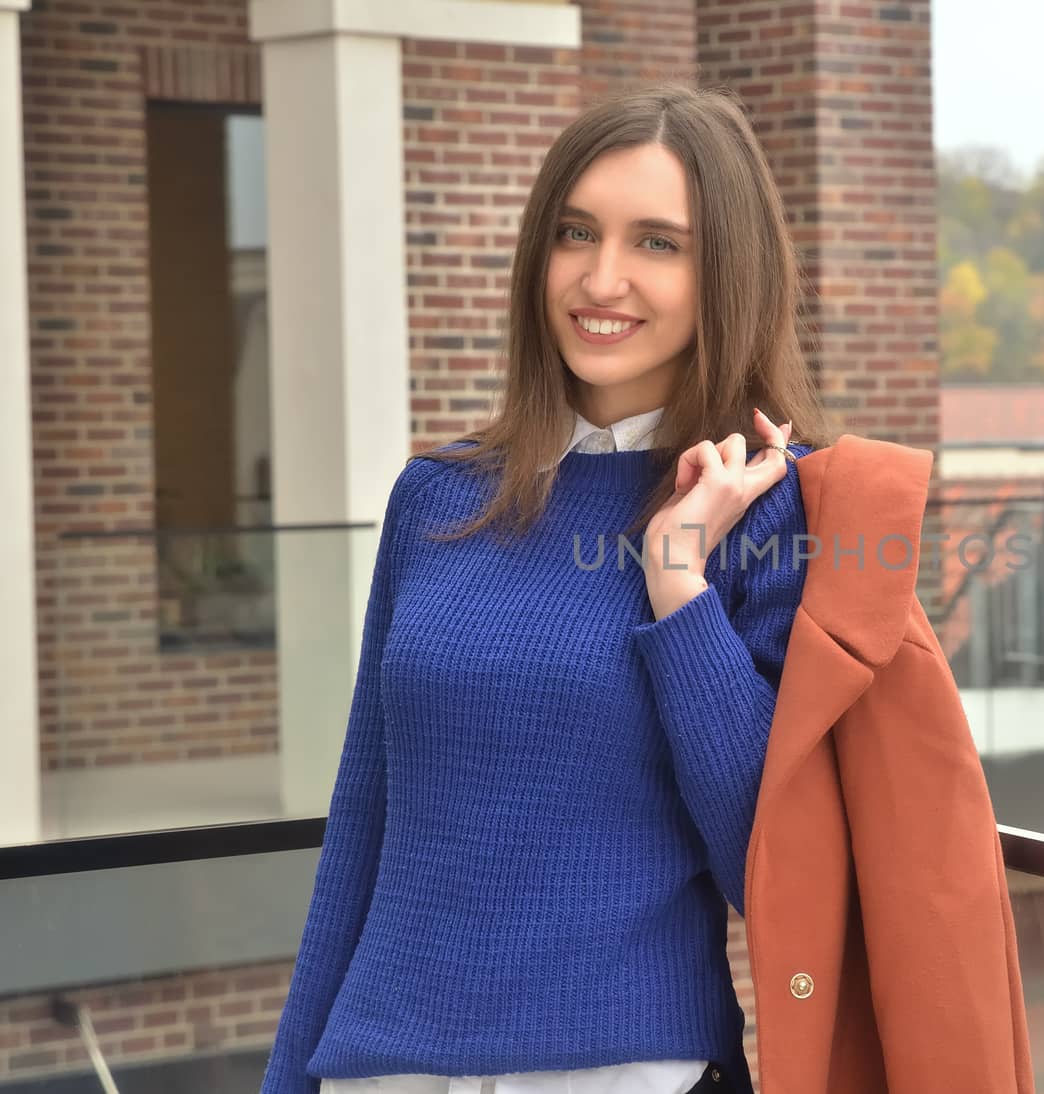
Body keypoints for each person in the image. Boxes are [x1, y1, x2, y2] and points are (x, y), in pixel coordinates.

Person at [260, 83, 834, 1094]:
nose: (601, 277)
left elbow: (770, 862)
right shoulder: (435, 496)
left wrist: (678, 584)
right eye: (576, 232)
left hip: (627, 1073)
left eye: (658, 242)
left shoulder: (770, 510)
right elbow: (364, 821)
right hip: (385, 1069)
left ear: (726, 274)